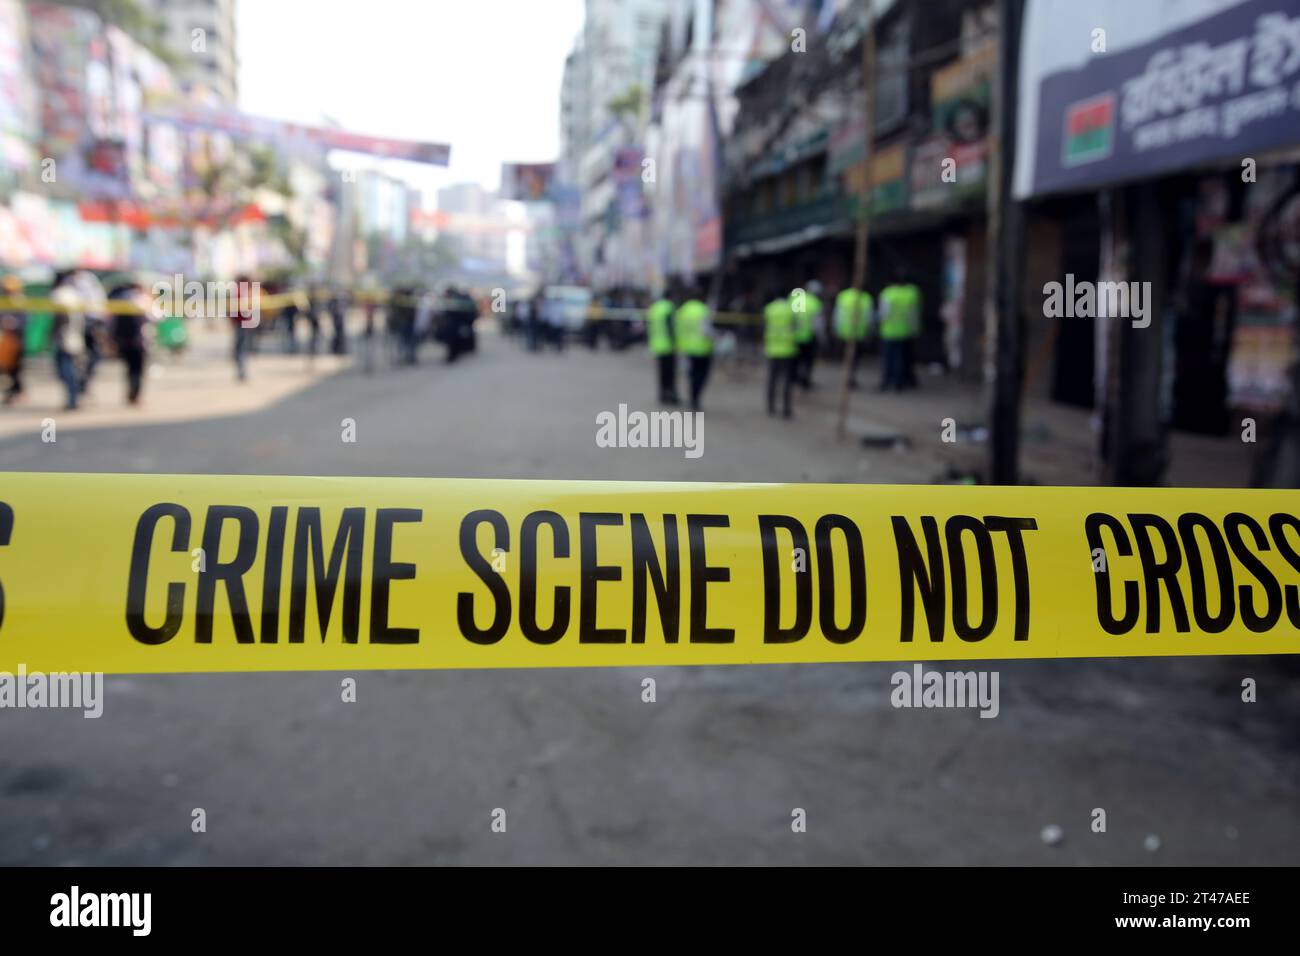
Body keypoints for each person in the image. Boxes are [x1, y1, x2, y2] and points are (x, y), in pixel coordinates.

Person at [673, 288, 714, 411]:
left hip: (686, 348)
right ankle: (695, 398)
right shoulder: (703, 310)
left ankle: (692, 398)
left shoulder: (683, 310)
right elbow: (706, 331)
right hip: (702, 349)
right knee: (701, 376)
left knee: (692, 375)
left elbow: (678, 329)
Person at [878, 276, 921, 391]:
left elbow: (883, 314)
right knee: (901, 358)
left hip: (888, 332)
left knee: (888, 359)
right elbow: (913, 315)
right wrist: (915, 330)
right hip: (904, 332)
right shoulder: (910, 294)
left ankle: (887, 381)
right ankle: (899, 382)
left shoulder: (887, 294)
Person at [108, 279, 148, 404]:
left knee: (129, 368)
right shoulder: (142, 299)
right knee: (138, 369)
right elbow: (154, 318)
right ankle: (134, 394)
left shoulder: (119, 300)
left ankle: (131, 393)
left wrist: (112, 338)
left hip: (124, 341)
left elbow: (111, 323)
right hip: (140, 341)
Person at [49, 269, 84, 409]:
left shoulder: (60, 294)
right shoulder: (72, 293)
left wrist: (53, 332)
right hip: (73, 335)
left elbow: (60, 318)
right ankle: (73, 396)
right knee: (67, 369)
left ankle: (73, 398)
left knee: (65, 369)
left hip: (65, 336)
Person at [763, 290, 797, 418]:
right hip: (787, 349)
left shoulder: (769, 309)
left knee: (772, 379)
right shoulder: (790, 309)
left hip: (772, 348)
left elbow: (765, 327)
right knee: (787, 381)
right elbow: (795, 327)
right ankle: (786, 408)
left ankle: (771, 406)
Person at [834, 285, 873, 389]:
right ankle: (849, 377)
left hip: (847, 332)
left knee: (850, 357)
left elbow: (837, 315)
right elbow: (869, 317)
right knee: (854, 358)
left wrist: (836, 328)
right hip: (856, 333)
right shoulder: (865, 297)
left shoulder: (844, 296)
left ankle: (848, 377)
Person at [645, 292, 677, 404]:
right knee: (670, 373)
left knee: (662, 373)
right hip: (668, 345)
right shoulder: (669, 307)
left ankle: (662, 395)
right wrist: (674, 342)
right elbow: (670, 327)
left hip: (657, 344)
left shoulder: (655, 308)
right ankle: (670, 394)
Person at [792, 280, 824, 389]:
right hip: (808, 337)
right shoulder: (815, 303)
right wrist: (821, 337)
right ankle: (805, 381)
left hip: (794, 336)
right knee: (807, 361)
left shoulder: (796, 299)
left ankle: (794, 379)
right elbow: (817, 324)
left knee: (796, 360)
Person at [0, 275, 25, 404]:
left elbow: (24, 321)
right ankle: (10, 392)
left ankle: (17, 391)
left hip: (16, 340)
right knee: (4, 369)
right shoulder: (3, 302)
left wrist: (13, 323)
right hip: (4, 341)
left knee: (15, 369)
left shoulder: (20, 302)